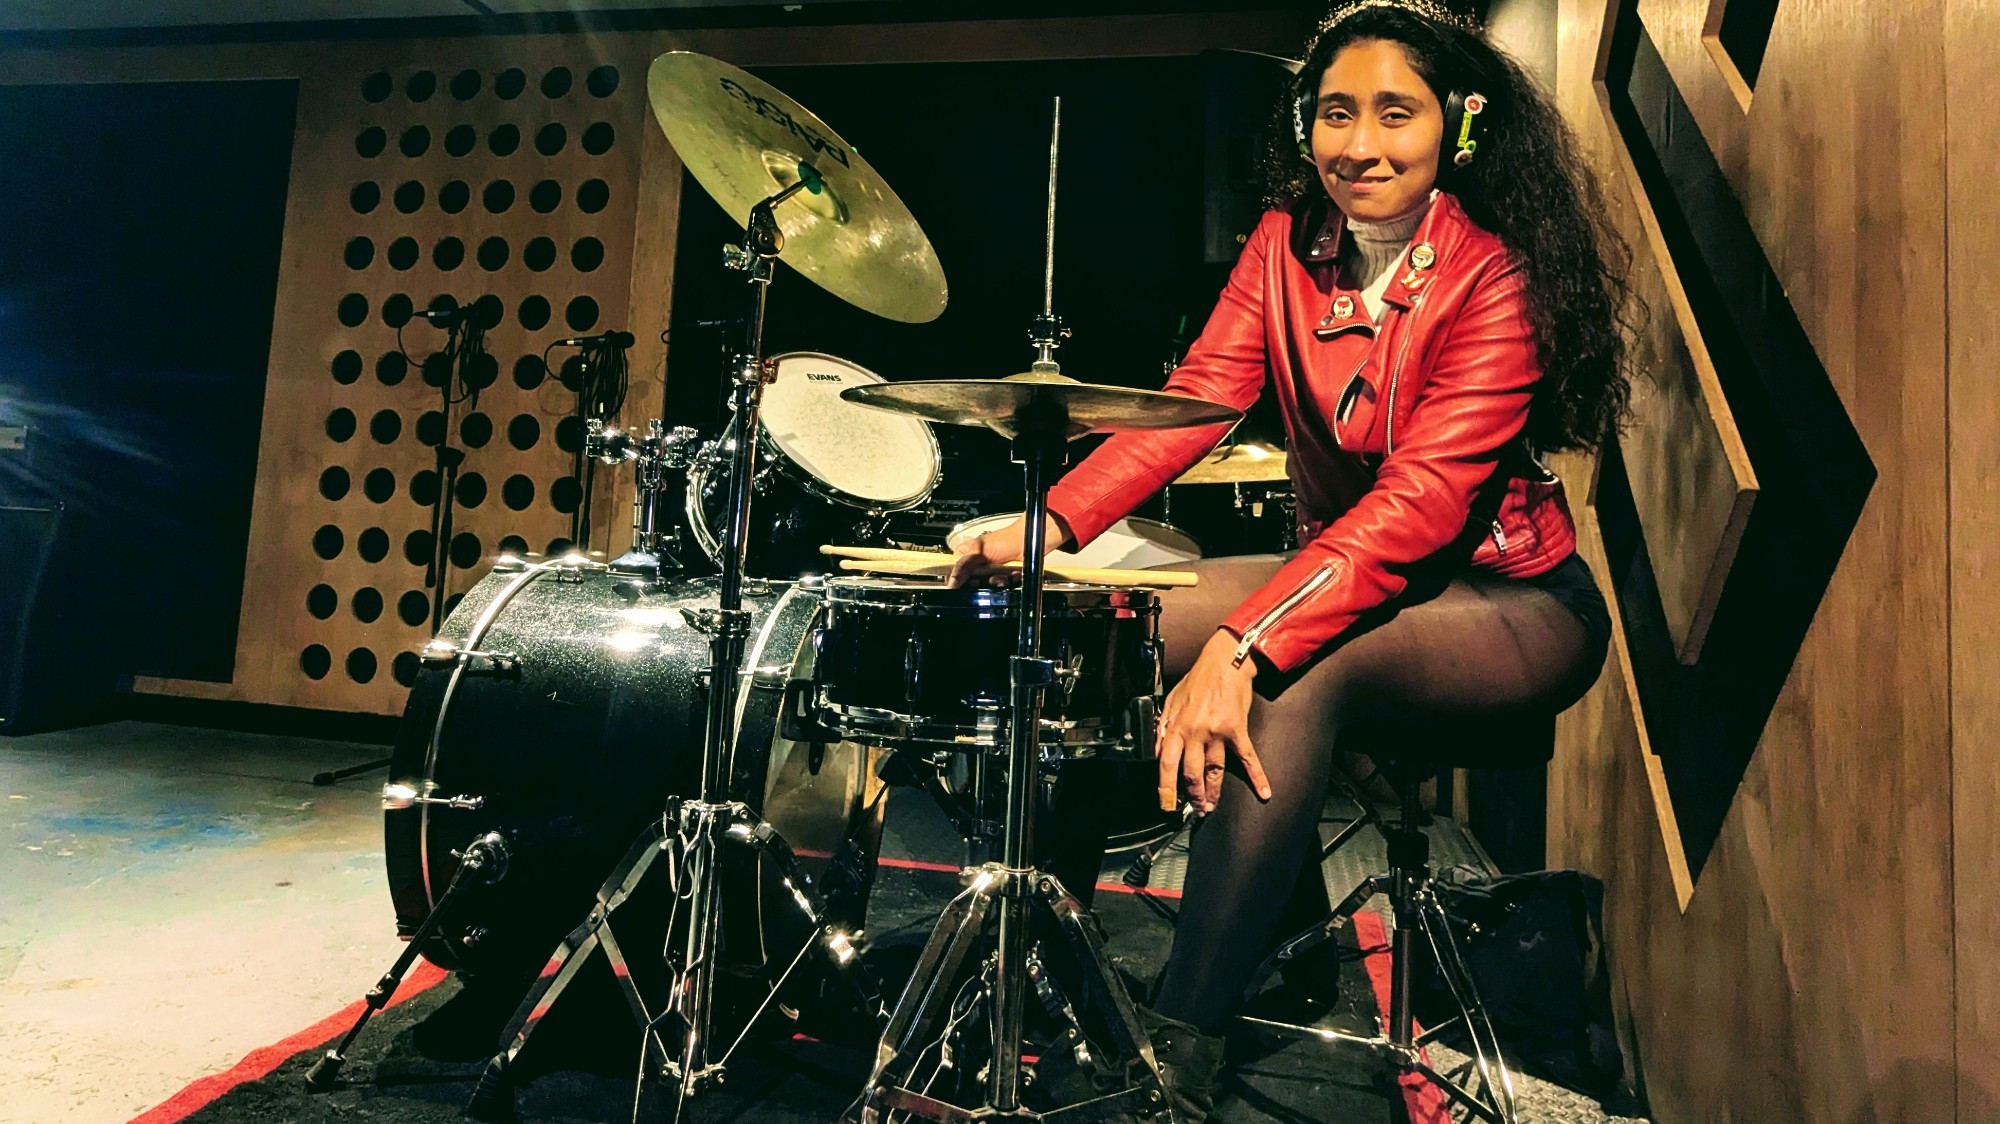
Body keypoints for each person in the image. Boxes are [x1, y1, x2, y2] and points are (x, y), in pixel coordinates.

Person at [948, 1, 1633, 1118]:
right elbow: (1193, 405)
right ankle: (1047, 965)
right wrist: (1052, 529)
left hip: (1507, 601)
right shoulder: (1282, 243)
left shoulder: (1491, 276)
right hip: (1348, 572)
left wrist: (1244, 640)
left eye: (1393, 113)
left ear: (1455, 126)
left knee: (1295, 670)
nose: (1357, 144)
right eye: (1334, 112)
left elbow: (1417, 506)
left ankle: (1178, 1045)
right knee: (1085, 611)